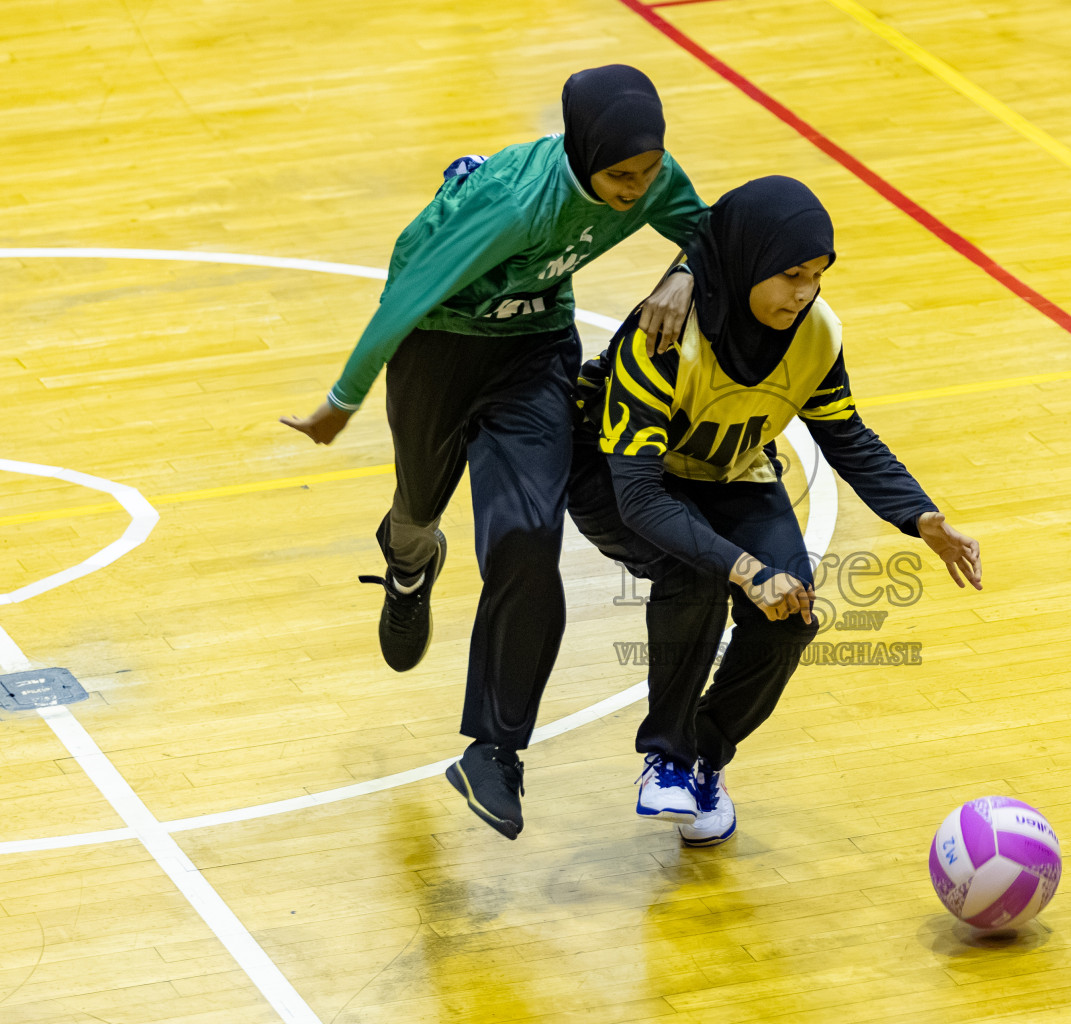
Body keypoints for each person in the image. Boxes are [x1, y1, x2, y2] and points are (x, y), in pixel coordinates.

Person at [280, 65, 708, 842]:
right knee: (419, 511)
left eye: (647, 173)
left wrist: (683, 273)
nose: (637, 189)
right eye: (621, 175)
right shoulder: (513, 204)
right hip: (438, 342)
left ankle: (494, 750)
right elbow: (406, 295)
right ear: (582, 154)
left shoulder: (653, 179)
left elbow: (711, 232)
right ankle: (409, 565)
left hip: (534, 352)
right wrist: (341, 401)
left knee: (529, 539)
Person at [569, 176, 983, 847]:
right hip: (619, 480)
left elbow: (846, 433)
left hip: (729, 473)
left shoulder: (816, 333)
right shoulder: (663, 336)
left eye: (816, 276)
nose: (804, 293)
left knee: (790, 616)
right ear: (747, 263)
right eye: (790, 275)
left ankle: (704, 753)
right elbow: (640, 497)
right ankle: (665, 757)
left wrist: (919, 516)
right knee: (697, 574)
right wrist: (746, 568)